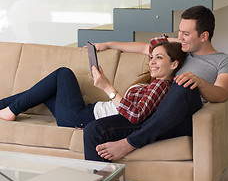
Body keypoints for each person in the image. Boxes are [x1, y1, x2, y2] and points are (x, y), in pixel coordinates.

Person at [83, 5, 228, 161]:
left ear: (204, 36)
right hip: (152, 114)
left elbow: (222, 93)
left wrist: (199, 82)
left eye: (186, 34)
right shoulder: (181, 52)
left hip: (181, 118)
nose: (180, 37)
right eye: (179, 32)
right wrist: (108, 45)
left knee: (184, 83)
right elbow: (147, 47)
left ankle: (131, 143)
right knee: (93, 130)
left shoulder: (225, 60)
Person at [0, 42, 186, 128]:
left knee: (63, 73)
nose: (152, 61)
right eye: (151, 57)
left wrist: (107, 87)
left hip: (83, 118)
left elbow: (136, 115)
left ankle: (10, 111)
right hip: (85, 113)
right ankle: (6, 108)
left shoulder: (161, 87)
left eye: (159, 58)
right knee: (46, 90)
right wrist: (108, 44)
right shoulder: (155, 82)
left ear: (175, 64)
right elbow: (152, 45)